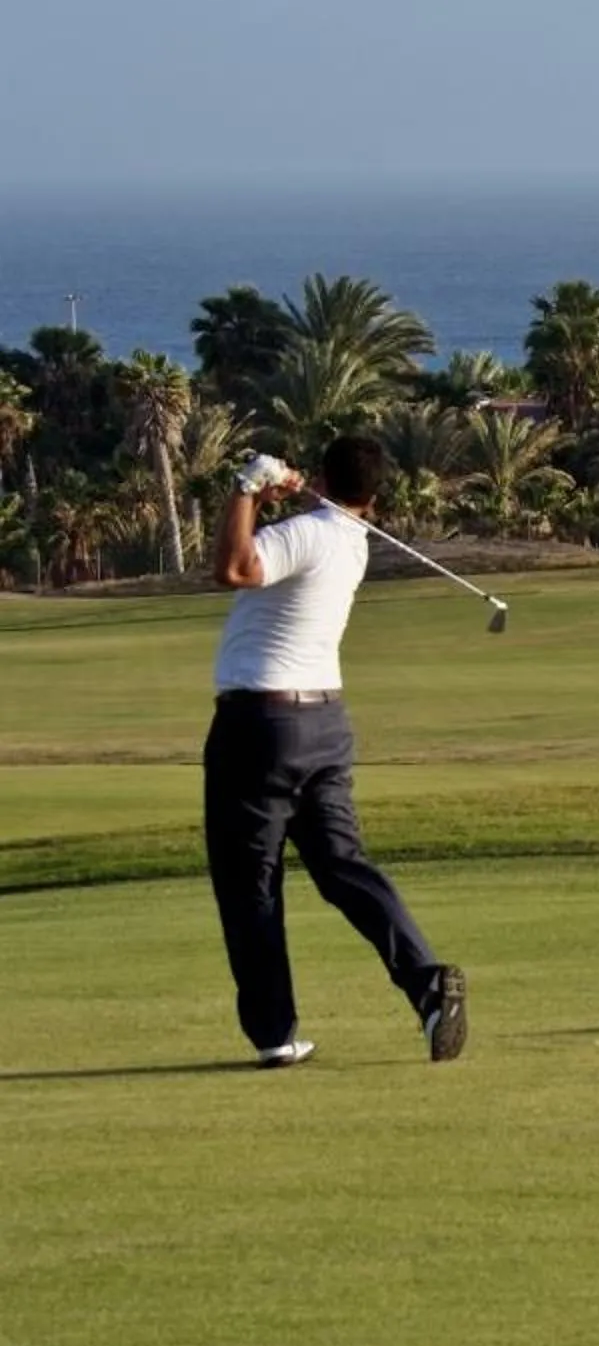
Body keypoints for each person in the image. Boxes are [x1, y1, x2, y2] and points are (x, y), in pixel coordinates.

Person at [205, 435, 466, 1069]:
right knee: (342, 866)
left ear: (321, 475)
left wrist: (245, 488)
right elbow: (273, 558)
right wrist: (271, 498)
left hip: (259, 725)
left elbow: (234, 569)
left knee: (250, 885)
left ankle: (273, 1030)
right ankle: (426, 983)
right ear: (373, 497)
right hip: (325, 724)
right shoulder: (349, 540)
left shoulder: (310, 534)